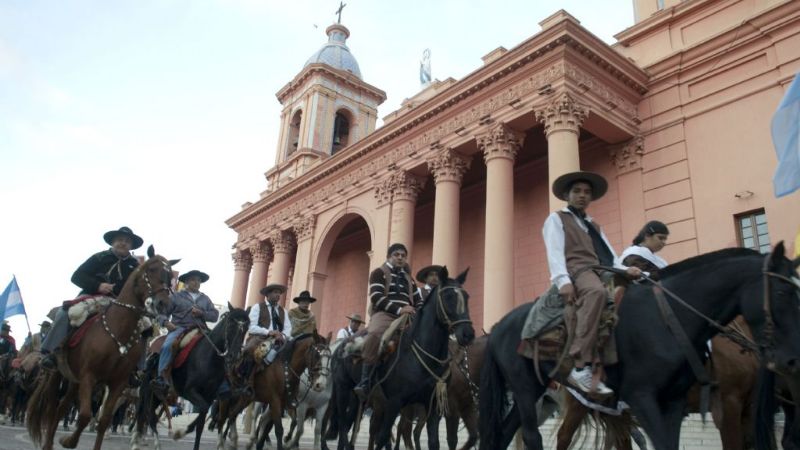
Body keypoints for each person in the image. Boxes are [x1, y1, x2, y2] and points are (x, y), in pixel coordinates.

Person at [542, 172, 641, 396]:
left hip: (601, 269)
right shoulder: (557, 219)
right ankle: (580, 364)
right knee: (596, 293)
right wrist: (562, 281)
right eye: (577, 191)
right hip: (579, 270)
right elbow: (555, 252)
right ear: (567, 195)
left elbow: (611, 257)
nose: (582, 196)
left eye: (587, 192)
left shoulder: (594, 225)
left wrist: (628, 270)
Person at [41, 226, 144, 369]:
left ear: (131, 245)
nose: (123, 243)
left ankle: (136, 367)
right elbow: (76, 276)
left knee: (145, 325)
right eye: (120, 240)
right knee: (65, 313)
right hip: (91, 296)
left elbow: (138, 289)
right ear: (113, 242)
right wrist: (98, 285)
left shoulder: (136, 267)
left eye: (127, 241)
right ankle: (51, 352)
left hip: (119, 303)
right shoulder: (99, 258)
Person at [354, 243, 422, 400]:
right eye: (396, 254)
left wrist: (418, 312)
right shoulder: (379, 273)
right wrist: (399, 310)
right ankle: (365, 381)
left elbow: (418, 300)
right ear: (389, 256)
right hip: (385, 314)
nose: (400, 258)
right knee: (375, 335)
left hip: (408, 316)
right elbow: (376, 297)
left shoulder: (409, 279)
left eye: (403, 255)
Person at [151, 269, 219, 395]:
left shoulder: (205, 299)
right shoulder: (176, 296)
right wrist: (166, 323)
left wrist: (202, 313)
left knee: (217, 347)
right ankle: (161, 377)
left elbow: (215, 315)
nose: (196, 282)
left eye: (199, 280)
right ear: (186, 282)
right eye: (193, 280)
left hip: (201, 330)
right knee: (167, 346)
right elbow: (161, 313)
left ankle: (222, 382)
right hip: (180, 328)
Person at [247, 283, 292, 365]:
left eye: (279, 293)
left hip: (280, 339)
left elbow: (288, 328)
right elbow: (251, 327)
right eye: (275, 292)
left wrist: (282, 336)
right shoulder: (257, 307)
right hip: (260, 338)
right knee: (250, 351)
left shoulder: (283, 311)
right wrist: (268, 332)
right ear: (268, 294)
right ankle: (245, 375)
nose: (278, 295)